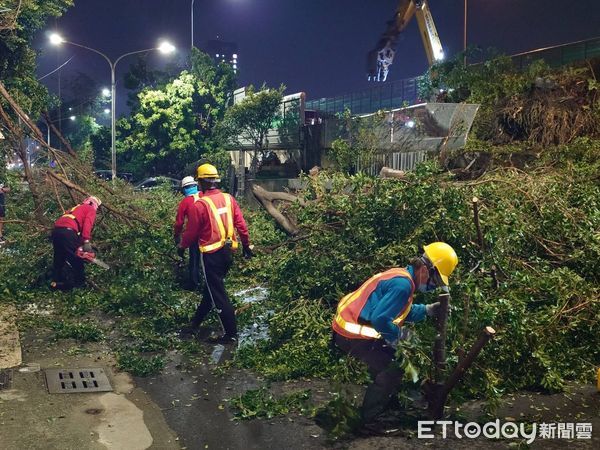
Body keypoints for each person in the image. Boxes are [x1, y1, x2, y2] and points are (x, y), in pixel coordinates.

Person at [332, 242, 458, 424]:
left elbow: (401, 311)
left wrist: (428, 310)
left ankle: (387, 402)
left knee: (392, 360)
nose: (433, 287)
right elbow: (381, 319)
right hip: (351, 335)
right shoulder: (403, 286)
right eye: (435, 281)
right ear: (424, 269)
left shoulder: (402, 277)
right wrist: (398, 337)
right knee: (392, 368)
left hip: (349, 330)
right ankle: (370, 418)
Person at [179, 163, 253, 344]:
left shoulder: (200, 205)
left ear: (202, 183)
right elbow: (241, 225)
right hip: (228, 252)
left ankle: (231, 335)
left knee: (217, 294)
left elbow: (191, 232)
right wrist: (246, 246)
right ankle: (195, 323)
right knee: (211, 290)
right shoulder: (229, 199)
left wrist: (181, 247)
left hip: (211, 255)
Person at [51, 196, 101, 290]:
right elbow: (87, 224)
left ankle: (55, 283)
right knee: (76, 260)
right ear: (95, 204)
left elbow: (74, 227)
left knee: (59, 259)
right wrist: (86, 241)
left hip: (56, 231)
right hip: (68, 232)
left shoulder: (74, 209)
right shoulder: (90, 209)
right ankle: (80, 285)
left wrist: (80, 246)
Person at [174, 176, 202, 290]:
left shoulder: (185, 201)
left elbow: (179, 222)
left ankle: (194, 284)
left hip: (194, 234)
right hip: (210, 233)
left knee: (194, 260)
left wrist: (176, 236)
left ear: (184, 189)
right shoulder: (204, 196)